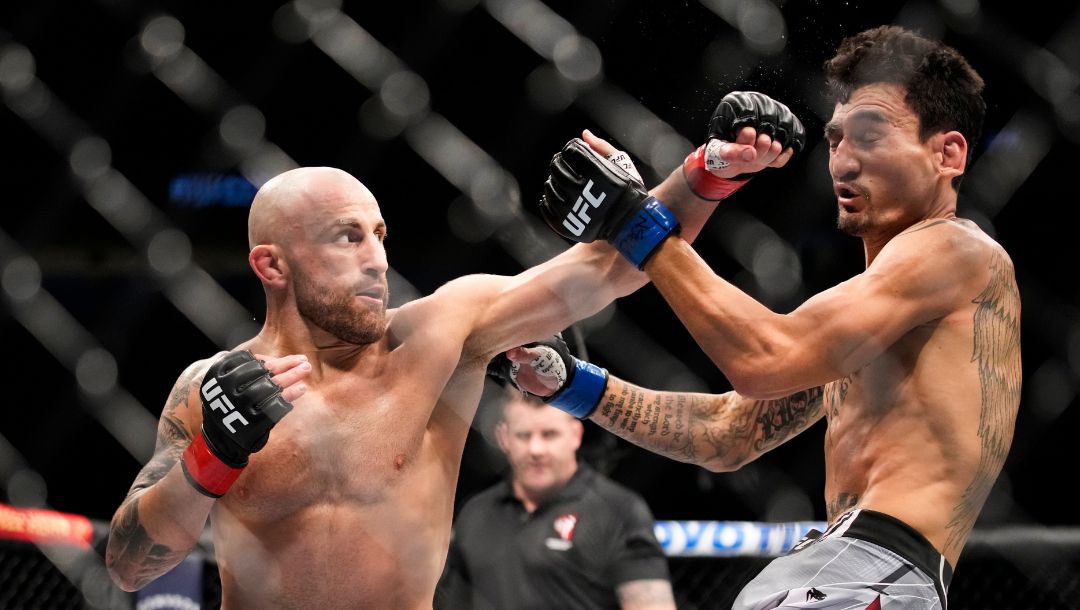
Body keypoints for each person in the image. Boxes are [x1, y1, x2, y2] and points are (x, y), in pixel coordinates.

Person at [103, 90, 804, 607]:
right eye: (348, 238)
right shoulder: (212, 388)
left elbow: (610, 268)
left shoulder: (440, 336)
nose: (377, 260)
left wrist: (710, 170)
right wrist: (212, 458)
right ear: (272, 265)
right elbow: (131, 566)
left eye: (380, 236)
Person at [501, 25, 1021, 609]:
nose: (844, 162)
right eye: (836, 140)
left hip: (869, 571)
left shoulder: (956, 252)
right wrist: (569, 383)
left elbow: (763, 358)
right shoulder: (878, 313)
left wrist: (634, 220)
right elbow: (727, 434)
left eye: (871, 136)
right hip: (851, 568)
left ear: (947, 154)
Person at [439, 389, 675, 610]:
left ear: (575, 435)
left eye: (549, 435)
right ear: (503, 438)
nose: (536, 449)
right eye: (523, 435)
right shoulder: (475, 514)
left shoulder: (618, 510)